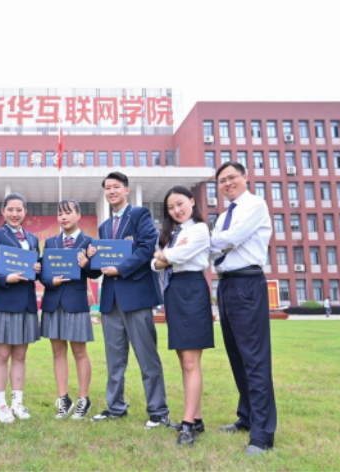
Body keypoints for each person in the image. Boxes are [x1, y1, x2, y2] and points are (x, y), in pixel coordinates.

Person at [89, 172, 170, 430]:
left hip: (136, 296)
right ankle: (115, 407)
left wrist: (121, 269)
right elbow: (102, 262)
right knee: (114, 359)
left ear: (126, 190)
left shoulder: (140, 215)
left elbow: (147, 248)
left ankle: (158, 412)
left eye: (116, 187)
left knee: (147, 357)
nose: (111, 191)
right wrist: (90, 258)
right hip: (110, 299)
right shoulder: (104, 227)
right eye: (107, 188)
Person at [210, 162, 276, 457]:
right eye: (222, 180)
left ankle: (262, 434)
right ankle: (246, 417)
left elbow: (230, 239)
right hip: (225, 285)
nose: (227, 183)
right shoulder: (224, 215)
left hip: (248, 284)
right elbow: (216, 248)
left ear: (245, 177)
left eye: (232, 177)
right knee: (236, 356)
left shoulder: (255, 205)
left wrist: (212, 241)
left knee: (254, 359)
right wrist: (216, 243)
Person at [151, 187, 214, 445]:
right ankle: (195, 419)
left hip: (192, 290)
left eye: (180, 204)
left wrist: (164, 255)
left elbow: (177, 255)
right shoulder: (173, 234)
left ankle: (187, 425)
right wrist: (164, 256)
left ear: (192, 201)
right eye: (171, 207)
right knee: (183, 359)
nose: (176, 210)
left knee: (191, 361)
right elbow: (155, 264)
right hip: (174, 291)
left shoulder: (199, 229)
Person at [0, 193, 42, 424]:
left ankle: (17, 404)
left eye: (19, 210)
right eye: (10, 209)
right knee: (1, 356)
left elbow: (35, 269)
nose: (15, 214)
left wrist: (38, 268)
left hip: (26, 303)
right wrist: (7, 278)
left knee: (20, 355)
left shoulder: (33, 239)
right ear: (3, 211)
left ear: (25, 212)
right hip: (5, 301)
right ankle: (2, 406)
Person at [40, 200, 100, 421]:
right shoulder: (51, 242)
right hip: (53, 301)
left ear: (78, 215)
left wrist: (86, 264)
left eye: (68, 213)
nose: (63, 217)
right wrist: (50, 281)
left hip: (76, 303)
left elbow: (95, 273)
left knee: (79, 352)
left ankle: (83, 399)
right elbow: (43, 273)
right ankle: (63, 399)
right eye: (60, 214)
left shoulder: (89, 242)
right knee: (58, 352)